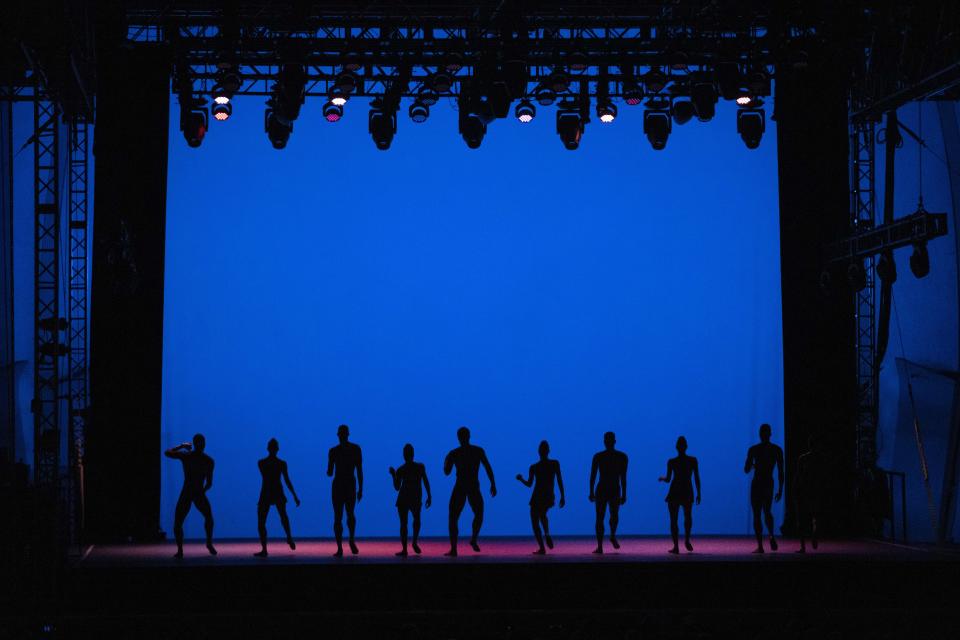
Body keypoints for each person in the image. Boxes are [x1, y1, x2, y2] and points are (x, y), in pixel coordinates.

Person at [443, 426, 496, 556]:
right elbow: (447, 471)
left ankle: (463, 544)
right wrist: (493, 484)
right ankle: (461, 545)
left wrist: (493, 483)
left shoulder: (461, 452)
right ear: (468, 436)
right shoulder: (464, 452)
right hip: (466, 486)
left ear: (459, 438)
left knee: (460, 516)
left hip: (466, 486)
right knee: (457, 516)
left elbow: (446, 472)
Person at [164, 434, 216, 558]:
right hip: (190, 492)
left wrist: (202, 491)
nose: (201, 446)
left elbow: (209, 483)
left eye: (202, 443)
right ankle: (180, 550)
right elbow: (167, 452)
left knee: (209, 518)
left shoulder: (207, 460)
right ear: (197, 444)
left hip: (194, 492)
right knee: (178, 523)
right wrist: (181, 445)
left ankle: (208, 543)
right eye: (199, 443)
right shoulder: (189, 456)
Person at [516, 440, 565, 555]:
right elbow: (559, 480)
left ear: (539, 452)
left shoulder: (534, 467)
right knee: (543, 514)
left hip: (538, 495)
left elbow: (529, 484)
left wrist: (520, 479)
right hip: (548, 495)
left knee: (535, 521)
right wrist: (562, 496)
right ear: (548, 451)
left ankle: (542, 547)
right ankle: (547, 534)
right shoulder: (554, 463)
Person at [254, 438, 301, 557]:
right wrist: (294, 495)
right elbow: (286, 480)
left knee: (281, 517)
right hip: (269, 491)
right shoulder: (265, 463)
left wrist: (295, 495)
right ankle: (266, 548)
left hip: (273, 491)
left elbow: (287, 480)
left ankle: (288, 537)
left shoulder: (271, 463)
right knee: (265, 520)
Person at [744, 423, 784, 553]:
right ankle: (771, 535)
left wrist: (754, 464)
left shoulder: (754, 449)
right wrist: (780, 489)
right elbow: (780, 472)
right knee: (767, 511)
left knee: (757, 514)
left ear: (760, 434)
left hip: (758, 483)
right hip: (768, 482)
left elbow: (746, 469)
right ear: (770, 434)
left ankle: (760, 545)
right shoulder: (777, 450)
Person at [658, 436, 701, 554]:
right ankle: (686, 540)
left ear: (676, 447)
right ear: (686, 447)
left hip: (676, 490)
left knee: (674, 519)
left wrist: (662, 478)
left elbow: (668, 479)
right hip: (686, 490)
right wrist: (699, 493)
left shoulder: (672, 462)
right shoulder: (692, 460)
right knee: (687, 517)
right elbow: (696, 477)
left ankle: (676, 546)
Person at [389, 443, 432, 557]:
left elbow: (397, 487)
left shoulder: (402, 469)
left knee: (405, 524)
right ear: (413, 454)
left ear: (404, 455)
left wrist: (393, 475)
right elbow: (425, 481)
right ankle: (412, 543)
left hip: (406, 498)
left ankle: (406, 548)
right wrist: (429, 495)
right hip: (413, 497)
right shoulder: (419, 467)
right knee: (414, 521)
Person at [589, 431, 628, 554]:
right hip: (603, 489)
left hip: (614, 489)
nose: (608, 442)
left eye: (609, 440)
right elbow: (593, 475)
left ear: (614, 442)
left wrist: (624, 494)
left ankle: (612, 535)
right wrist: (590, 491)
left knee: (614, 516)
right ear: (605, 442)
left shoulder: (622, 457)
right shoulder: (598, 456)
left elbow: (623, 476)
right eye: (607, 440)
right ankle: (600, 546)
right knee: (600, 517)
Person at [327, 424, 363, 556]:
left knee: (343, 516)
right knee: (345, 515)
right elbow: (359, 471)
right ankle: (345, 544)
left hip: (343, 485)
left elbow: (330, 472)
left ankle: (344, 545)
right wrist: (360, 489)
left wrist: (360, 489)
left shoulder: (335, 451)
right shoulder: (354, 449)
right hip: (346, 484)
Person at [795, 435, 825, 553]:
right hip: (814, 490)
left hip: (805, 490)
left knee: (802, 519)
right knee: (815, 516)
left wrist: (796, 490)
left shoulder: (803, 458)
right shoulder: (820, 459)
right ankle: (814, 533)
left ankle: (803, 546)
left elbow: (798, 476)